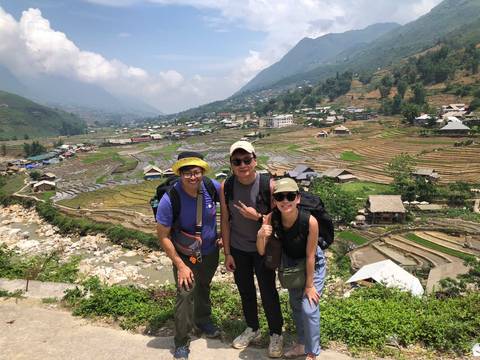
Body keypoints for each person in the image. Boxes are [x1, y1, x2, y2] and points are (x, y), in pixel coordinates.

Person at [220, 140, 284, 358]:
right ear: (231, 164)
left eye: (247, 160)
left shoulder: (269, 185)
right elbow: (226, 221)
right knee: (245, 290)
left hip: (263, 249)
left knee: (268, 291)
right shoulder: (226, 186)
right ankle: (252, 328)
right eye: (237, 161)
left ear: (255, 161)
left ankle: (276, 333)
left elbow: (280, 220)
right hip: (238, 249)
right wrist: (227, 252)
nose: (242, 165)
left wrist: (257, 217)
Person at [156, 151, 221, 360]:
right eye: (187, 173)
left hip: (210, 252)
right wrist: (180, 265)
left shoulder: (211, 187)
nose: (193, 177)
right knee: (185, 295)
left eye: (196, 172)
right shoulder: (170, 199)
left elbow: (230, 207)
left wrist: (224, 238)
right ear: (180, 174)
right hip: (185, 255)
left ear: (202, 171)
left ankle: (203, 320)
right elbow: (163, 236)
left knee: (203, 286)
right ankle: (181, 341)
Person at [256, 177, 326, 360]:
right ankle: (302, 344)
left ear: (298, 198)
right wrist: (261, 234)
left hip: (313, 263)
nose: (285, 201)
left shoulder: (310, 221)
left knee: (309, 307)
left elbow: (311, 256)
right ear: (275, 201)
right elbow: (261, 250)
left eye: (290, 196)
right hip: (291, 263)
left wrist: (309, 286)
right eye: (280, 197)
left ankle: (312, 352)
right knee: (296, 306)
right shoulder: (272, 218)